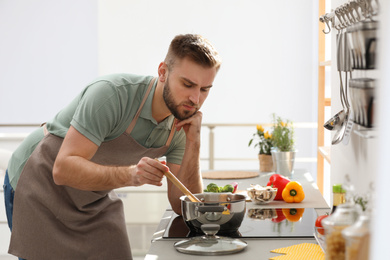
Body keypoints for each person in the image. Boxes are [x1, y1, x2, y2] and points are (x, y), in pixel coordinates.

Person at [3, 33, 221, 260]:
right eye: (187, 84)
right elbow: (63, 169)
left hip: (91, 195)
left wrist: (194, 142)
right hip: (39, 181)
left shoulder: (181, 124)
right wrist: (132, 176)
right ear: (163, 72)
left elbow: (183, 206)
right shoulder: (113, 94)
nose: (195, 99)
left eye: (205, 89)